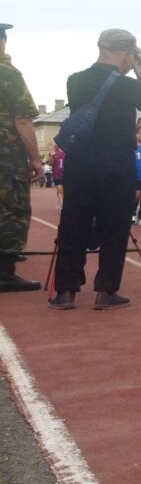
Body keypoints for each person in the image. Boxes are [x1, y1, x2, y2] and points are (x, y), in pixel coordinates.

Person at [52, 29, 141, 310]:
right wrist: (139, 72)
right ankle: (106, 291)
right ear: (126, 53)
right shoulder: (126, 85)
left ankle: (65, 291)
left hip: (80, 163)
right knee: (114, 226)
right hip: (117, 164)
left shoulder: (75, 81)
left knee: (73, 224)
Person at [0, 23, 44, 292]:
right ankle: (5, 272)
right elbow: (23, 119)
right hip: (5, 154)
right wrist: (35, 160)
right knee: (11, 208)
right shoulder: (7, 74)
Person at [52, 144, 66, 212]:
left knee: (62, 191)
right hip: (56, 174)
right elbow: (49, 163)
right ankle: (62, 207)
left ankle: (61, 205)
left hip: (66, 175)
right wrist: (51, 156)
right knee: (60, 190)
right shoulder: (54, 153)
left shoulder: (67, 153)